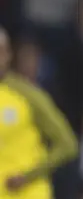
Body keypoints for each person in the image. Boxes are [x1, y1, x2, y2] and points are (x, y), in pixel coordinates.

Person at [0, 28, 78, 198]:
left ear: (8, 55)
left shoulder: (28, 95)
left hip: (27, 193)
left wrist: (29, 175)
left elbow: (67, 144)